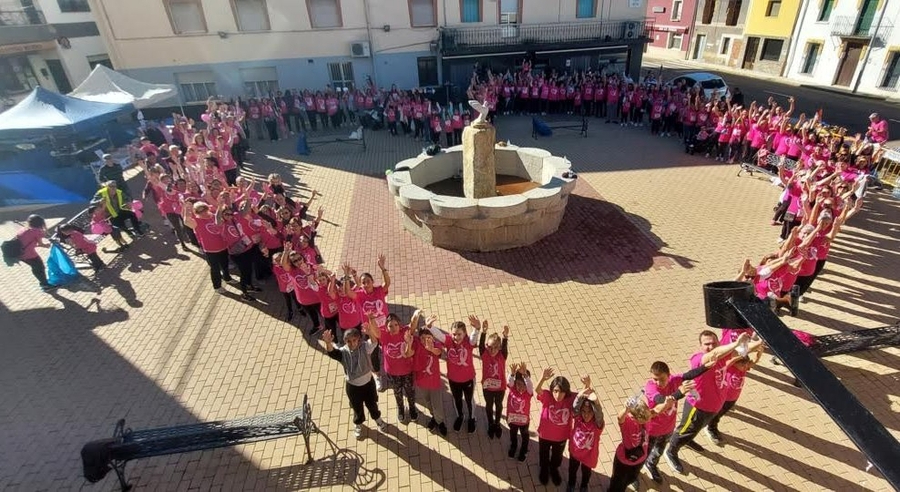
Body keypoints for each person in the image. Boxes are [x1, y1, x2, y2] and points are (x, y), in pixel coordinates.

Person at [664, 330, 752, 474]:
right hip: (698, 407)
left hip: (713, 407)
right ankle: (671, 451)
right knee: (685, 430)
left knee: (694, 429)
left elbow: (742, 352)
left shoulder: (722, 357)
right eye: (707, 344)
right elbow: (714, 354)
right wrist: (737, 342)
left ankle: (688, 440)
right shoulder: (698, 358)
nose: (711, 346)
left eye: (714, 343)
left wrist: (752, 342)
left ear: (719, 343)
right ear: (700, 346)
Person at [642, 360, 713, 483]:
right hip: (651, 431)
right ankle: (634, 472)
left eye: (662, 379)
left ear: (669, 375)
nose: (658, 383)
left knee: (658, 451)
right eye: (655, 379)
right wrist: (680, 392)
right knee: (643, 453)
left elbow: (689, 374)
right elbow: (662, 400)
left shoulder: (674, 380)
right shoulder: (650, 387)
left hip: (668, 429)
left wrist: (706, 367)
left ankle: (651, 464)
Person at [321, 314, 387, 439]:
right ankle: (358, 424)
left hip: (368, 384)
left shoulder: (365, 347)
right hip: (353, 387)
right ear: (345, 341)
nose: (352, 343)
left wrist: (370, 332)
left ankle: (378, 419)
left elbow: (374, 342)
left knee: (372, 404)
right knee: (357, 407)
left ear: (359, 340)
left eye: (354, 340)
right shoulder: (343, 353)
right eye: (349, 341)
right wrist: (328, 343)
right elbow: (332, 353)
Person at [426, 313, 478, 433]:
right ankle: (460, 416)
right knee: (457, 399)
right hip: (453, 379)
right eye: (454, 334)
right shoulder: (449, 341)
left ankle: (472, 418)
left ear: (465, 334)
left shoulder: (469, 342)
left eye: (459, 334)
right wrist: (430, 327)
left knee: (469, 400)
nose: (456, 337)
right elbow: (439, 335)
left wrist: (476, 329)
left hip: (468, 379)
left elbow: (474, 338)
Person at [706, 349, 763, 445]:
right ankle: (711, 428)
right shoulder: (728, 368)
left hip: (732, 399)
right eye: (742, 365)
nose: (745, 367)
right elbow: (728, 362)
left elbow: (754, 361)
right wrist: (737, 357)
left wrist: (759, 353)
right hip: (722, 398)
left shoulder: (744, 368)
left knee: (721, 413)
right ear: (735, 363)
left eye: (746, 364)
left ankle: (711, 423)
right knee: (717, 415)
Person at [535, 367, 576, 486]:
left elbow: (583, 396)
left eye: (562, 392)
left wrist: (587, 385)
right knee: (544, 454)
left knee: (557, 456)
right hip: (545, 435)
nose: (558, 395)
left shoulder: (571, 399)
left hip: (561, 437)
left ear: (566, 392)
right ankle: (544, 469)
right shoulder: (547, 396)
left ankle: (554, 469)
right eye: (555, 391)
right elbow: (537, 390)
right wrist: (542, 378)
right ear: (552, 390)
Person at [182, 201, 234, 293]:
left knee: (225, 264)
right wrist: (186, 209)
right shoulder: (196, 221)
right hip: (210, 250)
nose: (203, 213)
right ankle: (217, 286)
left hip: (223, 246)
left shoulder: (213, 216)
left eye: (204, 209)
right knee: (215, 269)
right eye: (199, 211)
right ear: (196, 212)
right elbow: (186, 221)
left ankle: (227, 278)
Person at [379, 312, 419, 424]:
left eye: (396, 325)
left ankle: (412, 408)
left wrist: (415, 316)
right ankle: (400, 408)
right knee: (397, 392)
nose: (394, 328)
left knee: (410, 391)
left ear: (399, 325)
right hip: (392, 373)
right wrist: (371, 319)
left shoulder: (405, 331)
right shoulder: (384, 335)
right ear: (386, 327)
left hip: (407, 371)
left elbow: (413, 325)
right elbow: (374, 331)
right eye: (390, 326)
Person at [566, 377, 604, 492]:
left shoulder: (597, 425)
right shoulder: (578, 419)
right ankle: (571, 484)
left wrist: (596, 402)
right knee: (572, 469)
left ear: (594, 412)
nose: (586, 415)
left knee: (586, 472)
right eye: (583, 411)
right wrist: (580, 395)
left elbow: (599, 415)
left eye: (589, 412)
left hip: (589, 455)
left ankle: (584, 486)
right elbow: (575, 408)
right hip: (575, 452)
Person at [608, 397, 652, 492]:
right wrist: (626, 409)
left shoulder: (647, 416)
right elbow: (620, 418)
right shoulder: (629, 422)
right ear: (635, 417)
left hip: (640, 458)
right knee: (617, 484)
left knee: (631, 478)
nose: (647, 421)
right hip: (624, 461)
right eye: (643, 419)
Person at [475, 316, 509, 439]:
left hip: (500, 388)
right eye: (489, 347)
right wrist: (483, 332)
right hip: (487, 387)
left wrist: (505, 337)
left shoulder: (502, 355)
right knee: (489, 405)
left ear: (499, 348)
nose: (492, 350)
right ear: (486, 346)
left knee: (498, 405)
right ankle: (490, 424)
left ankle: (497, 424)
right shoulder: (484, 354)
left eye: (495, 347)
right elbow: (480, 347)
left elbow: (504, 347)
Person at [413, 319, 448, 436]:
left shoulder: (435, 345)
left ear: (432, 338)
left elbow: (439, 352)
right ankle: (434, 417)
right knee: (428, 402)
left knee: (437, 404)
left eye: (428, 337)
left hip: (434, 383)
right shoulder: (417, 345)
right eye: (422, 338)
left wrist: (431, 349)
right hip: (421, 382)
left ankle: (440, 422)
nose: (425, 341)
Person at [15, 215, 53, 290]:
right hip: (29, 255)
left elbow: (28, 242)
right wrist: (46, 245)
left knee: (35, 267)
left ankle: (43, 282)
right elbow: (41, 244)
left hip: (19, 253)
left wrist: (39, 245)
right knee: (39, 268)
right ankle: (45, 285)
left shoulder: (24, 229)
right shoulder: (37, 231)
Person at [506, 362, 533, 461]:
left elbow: (530, 385)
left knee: (524, 436)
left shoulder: (528, 392)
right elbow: (509, 381)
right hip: (512, 420)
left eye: (524, 385)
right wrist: (512, 374)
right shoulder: (512, 389)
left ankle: (524, 450)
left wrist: (525, 375)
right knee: (513, 435)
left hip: (524, 423)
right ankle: (513, 446)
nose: (521, 387)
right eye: (518, 384)